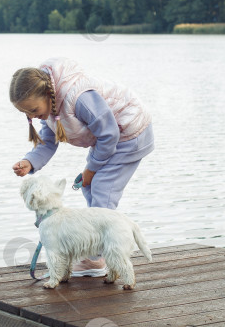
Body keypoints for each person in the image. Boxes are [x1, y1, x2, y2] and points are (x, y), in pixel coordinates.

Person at [9, 57, 154, 277]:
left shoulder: (78, 99)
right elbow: (48, 142)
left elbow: (109, 133)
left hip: (130, 133)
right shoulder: (49, 109)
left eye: (33, 109)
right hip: (111, 139)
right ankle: (97, 249)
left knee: (102, 187)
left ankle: (96, 258)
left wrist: (91, 169)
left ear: (47, 95)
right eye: (25, 113)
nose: (30, 116)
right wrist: (30, 162)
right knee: (90, 185)